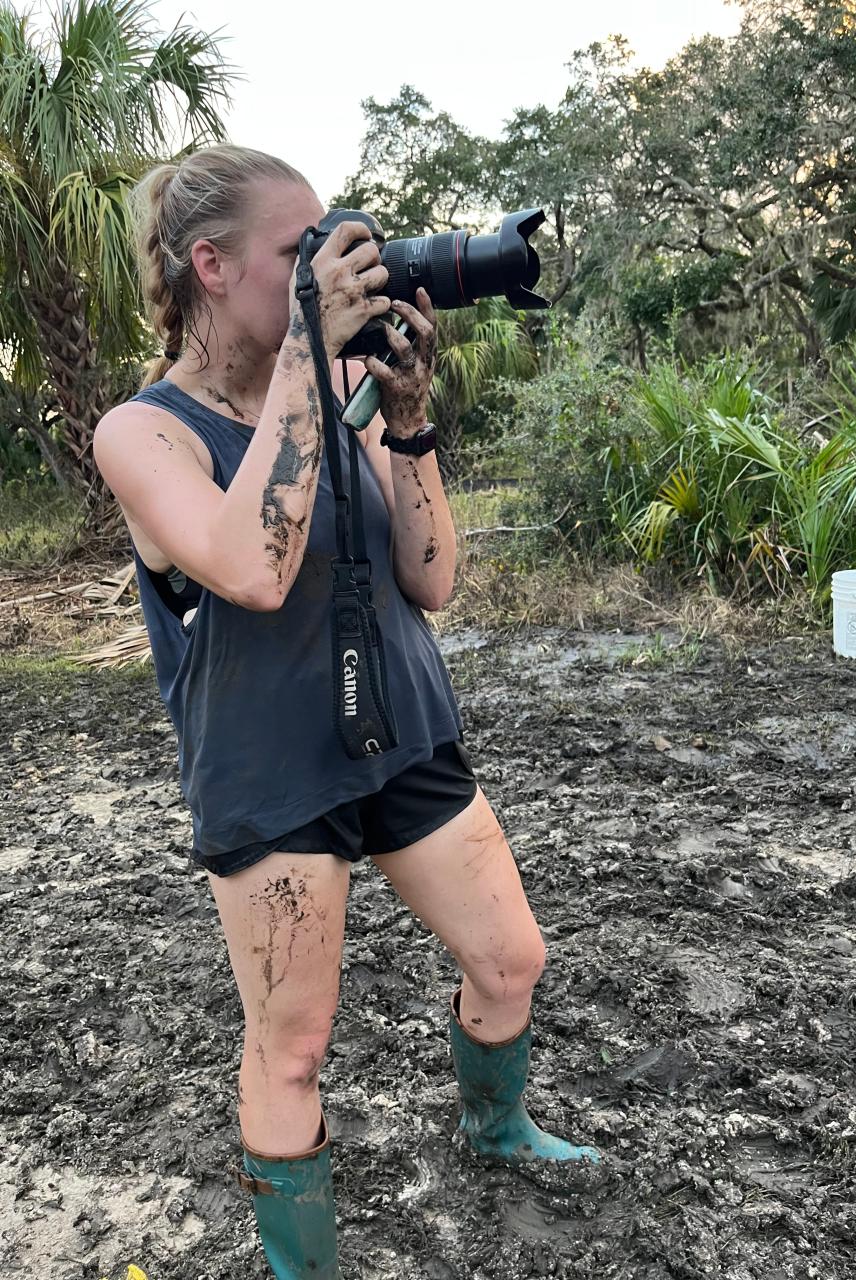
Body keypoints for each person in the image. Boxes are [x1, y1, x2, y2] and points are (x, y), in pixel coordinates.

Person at [93, 144, 599, 1280]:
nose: (336, 274)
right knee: (294, 1042)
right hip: (270, 766)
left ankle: (496, 1124)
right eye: (302, 255)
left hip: (399, 725)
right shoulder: (145, 433)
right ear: (212, 266)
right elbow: (252, 568)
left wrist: (407, 422)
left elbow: (431, 579)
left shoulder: (343, 397)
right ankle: (301, 1265)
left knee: (512, 956)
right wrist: (308, 372)